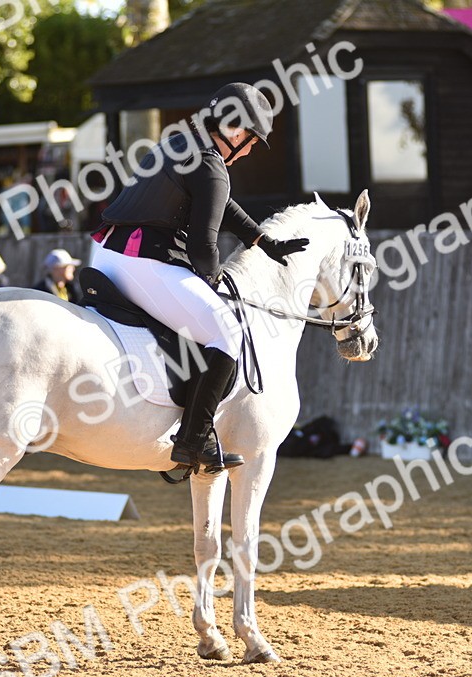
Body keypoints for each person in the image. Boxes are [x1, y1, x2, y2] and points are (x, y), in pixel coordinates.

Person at [90, 82, 309, 473]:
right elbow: (204, 246)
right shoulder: (211, 163)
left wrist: (262, 240)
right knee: (227, 332)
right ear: (236, 130)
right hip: (143, 261)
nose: (251, 150)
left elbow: (220, 201)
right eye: (253, 141)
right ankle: (194, 438)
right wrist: (213, 283)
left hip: (105, 254)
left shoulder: (178, 142)